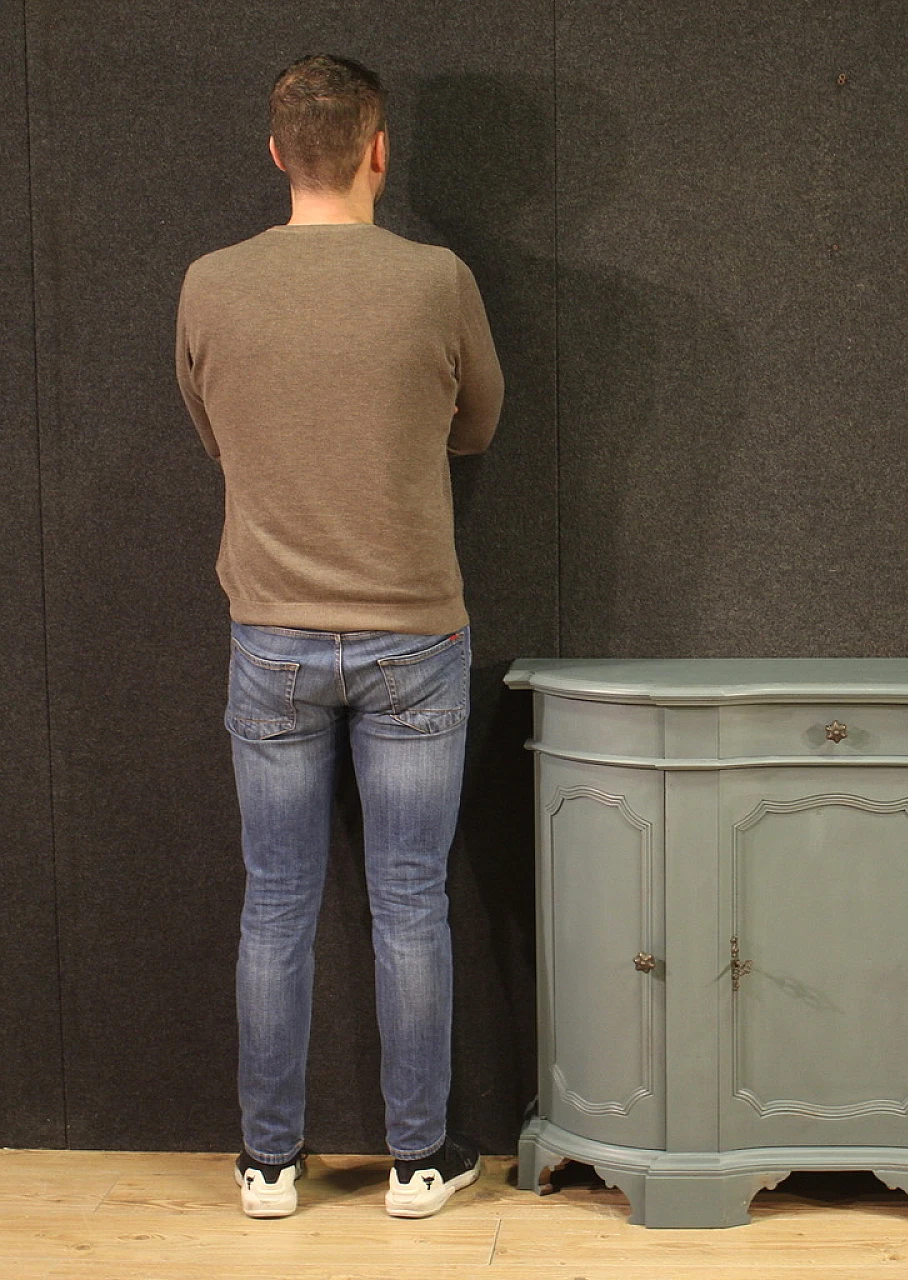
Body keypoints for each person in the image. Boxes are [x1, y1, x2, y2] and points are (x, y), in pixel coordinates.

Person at [174, 53, 503, 1220]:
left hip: (270, 631)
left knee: (276, 900)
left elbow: (211, 427)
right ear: (376, 149)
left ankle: (268, 1162)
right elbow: (479, 422)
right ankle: (419, 1159)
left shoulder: (209, 282)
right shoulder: (435, 278)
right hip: (414, 627)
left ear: (275, 152)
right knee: (411, 897)